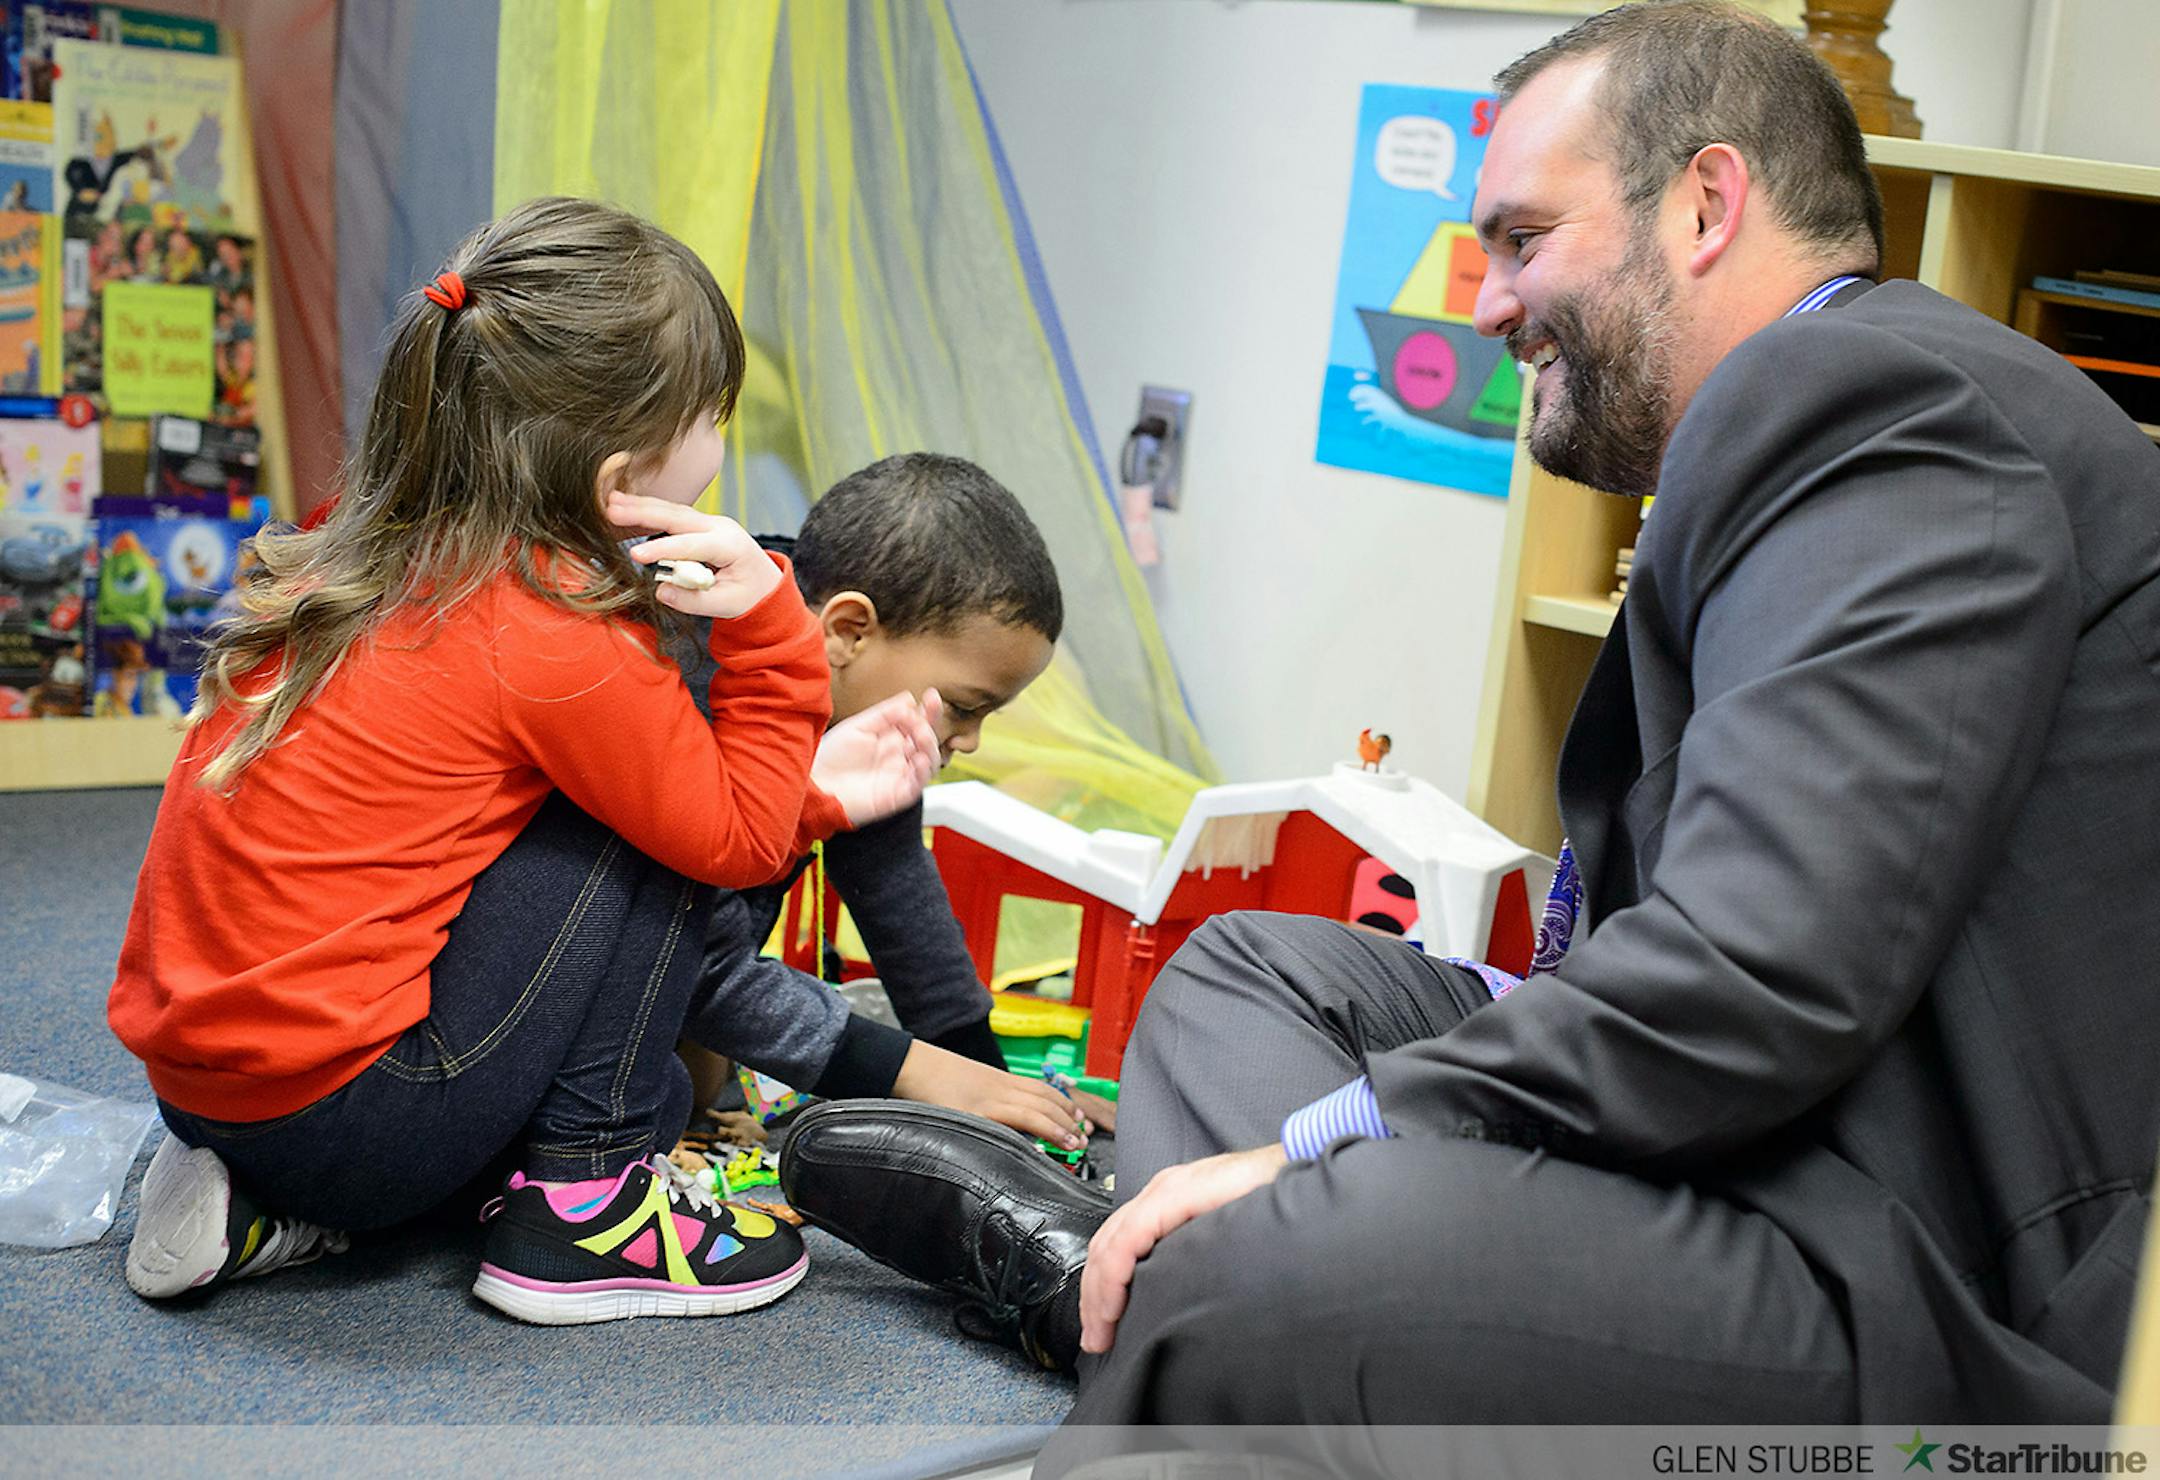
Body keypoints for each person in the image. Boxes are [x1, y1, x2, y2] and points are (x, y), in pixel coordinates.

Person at [776, 0, 2160, 1436]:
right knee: (1253, 972)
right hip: (1772, 1115)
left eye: (1522, 238)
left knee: (1294, 1256)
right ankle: (1180, 1289)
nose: (1487, 303)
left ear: (1704, 205)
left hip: (1897, 1247)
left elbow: (1760, 971)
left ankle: (1125, 1285)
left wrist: (1324, 1145)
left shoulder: (1872, 401)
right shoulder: (1813, 423)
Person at [109, 196, 942, 1327]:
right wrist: (768, 623)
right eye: (718, 414)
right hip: (350, 1115)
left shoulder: (370, 547)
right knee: (645, 819)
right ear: (620, 478)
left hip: (211, 1094)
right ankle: (588, 1203)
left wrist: (820, 791)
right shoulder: (557, 638)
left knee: (634, 890)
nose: (724, 442)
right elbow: (730, 838)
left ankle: (272, 1215)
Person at [674, 453, 1090, 1152]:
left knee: (705, 1076)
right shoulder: (693, 683)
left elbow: (901, 899)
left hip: (688, 968)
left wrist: (991, 1088)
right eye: (964, 706)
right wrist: (919, 1074)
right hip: (583, 983)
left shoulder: (862, 709)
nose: (972, 740)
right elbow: (688, 960)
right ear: (848, 631)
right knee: (670, 1088)